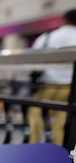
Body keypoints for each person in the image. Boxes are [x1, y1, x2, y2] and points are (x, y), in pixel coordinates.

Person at [27, 9, 76, 145]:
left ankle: (32, 151)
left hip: (46, 86)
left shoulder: (47, 37)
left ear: (64, 20)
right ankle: (59, 156)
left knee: (36, 121)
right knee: (62, 125)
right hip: (71, 90)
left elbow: (33, 60)